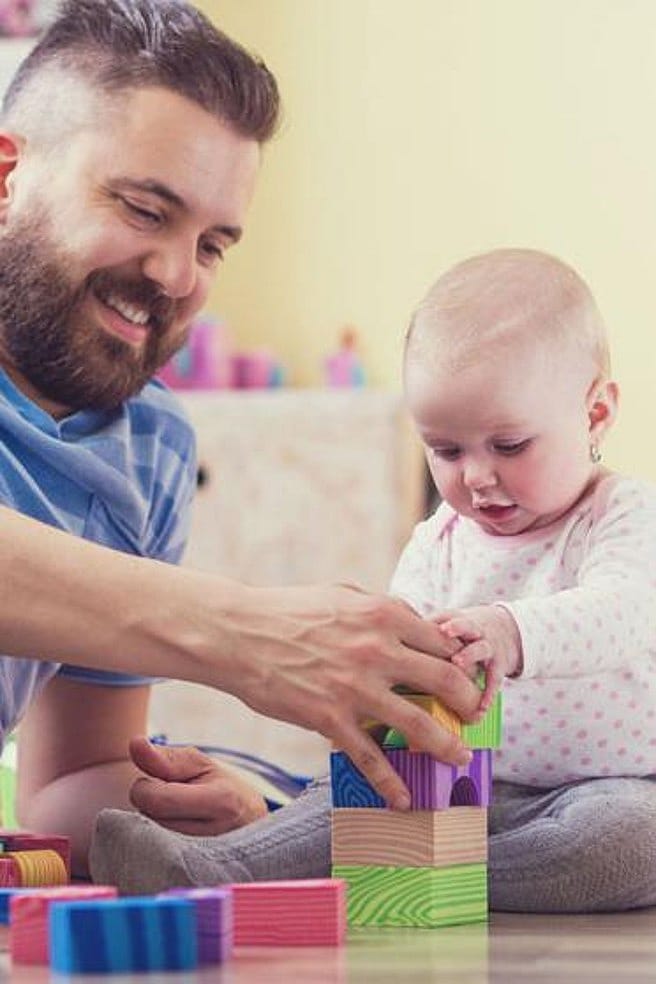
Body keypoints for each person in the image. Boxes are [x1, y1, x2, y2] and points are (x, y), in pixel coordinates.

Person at [0, 0, 482, 876]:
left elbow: (65, 787)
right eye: (145, 210)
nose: (176, 275)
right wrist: (244, 634)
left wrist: (224, 813)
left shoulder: (148, 444)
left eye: (213, 245)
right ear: (7, 177)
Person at [91, 248, 656, 914]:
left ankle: (437, 871)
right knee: (349, 793)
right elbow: (395, 646)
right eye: (446, 449)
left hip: (606, 787)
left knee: (626, 841)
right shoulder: (440, 538)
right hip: (453, 779)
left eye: (509, 446)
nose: (476, 477)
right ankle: (217, 866)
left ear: (595, 415)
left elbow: (624, 612)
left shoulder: (622, 514)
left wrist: (510, 632)